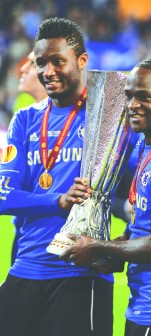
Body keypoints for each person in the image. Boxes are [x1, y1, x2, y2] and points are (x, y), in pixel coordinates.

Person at [61, 57, 151, 336]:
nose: (132, 105)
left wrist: (98, 246)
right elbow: (144, 224)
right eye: (129, 96)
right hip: (148, 302)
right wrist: (114, 249)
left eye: (144, 97)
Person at [0, 17, 113, 336]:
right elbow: (3, 195)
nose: (47, 71)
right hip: (26, 267)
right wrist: (57, 200)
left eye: (57, 61)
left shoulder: (107, 120)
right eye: (41, 63)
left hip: (80, 274)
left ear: (82, 61)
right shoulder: (24, 120)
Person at [11, 51, 48, 264]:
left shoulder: (79, 124)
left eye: (33, 64)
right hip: (23, 233)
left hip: (53, 241)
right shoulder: (23, 115)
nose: (23, 68)